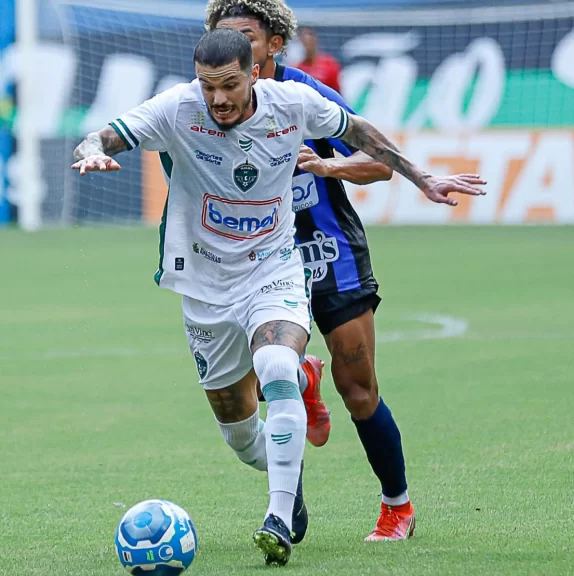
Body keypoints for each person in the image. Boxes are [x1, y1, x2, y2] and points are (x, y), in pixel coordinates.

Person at [71, 28, 484, 566]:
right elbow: (101, 136)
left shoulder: (293, 103)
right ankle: (288, 460)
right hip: (204, 287)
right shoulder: (176, 108)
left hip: (273, 268)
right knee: (242, 437)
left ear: (253, 74)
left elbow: (360, 133)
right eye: (208, 85)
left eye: (229, 85)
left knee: (275, 364)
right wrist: (90, 152)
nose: (217, 98)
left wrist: (421, 176)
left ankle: (278, 518)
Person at [204, 0, 422, 542]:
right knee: (273, 381)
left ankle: (398, 506)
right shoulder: (206, 104)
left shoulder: (307, 96)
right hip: (257, 266)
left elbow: (379, 163)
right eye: (223, 37)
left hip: (328, 253)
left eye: (246, 37)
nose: (235, 49)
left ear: (275, 44)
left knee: (359, 388)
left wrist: (329, 165)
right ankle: (286, 507)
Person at [295, 26, 342, 94]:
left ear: (315, 41)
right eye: (305, 43)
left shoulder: (329, 64)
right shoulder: (297, 68)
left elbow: (336, 91)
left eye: (310, 42)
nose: (308, 47)